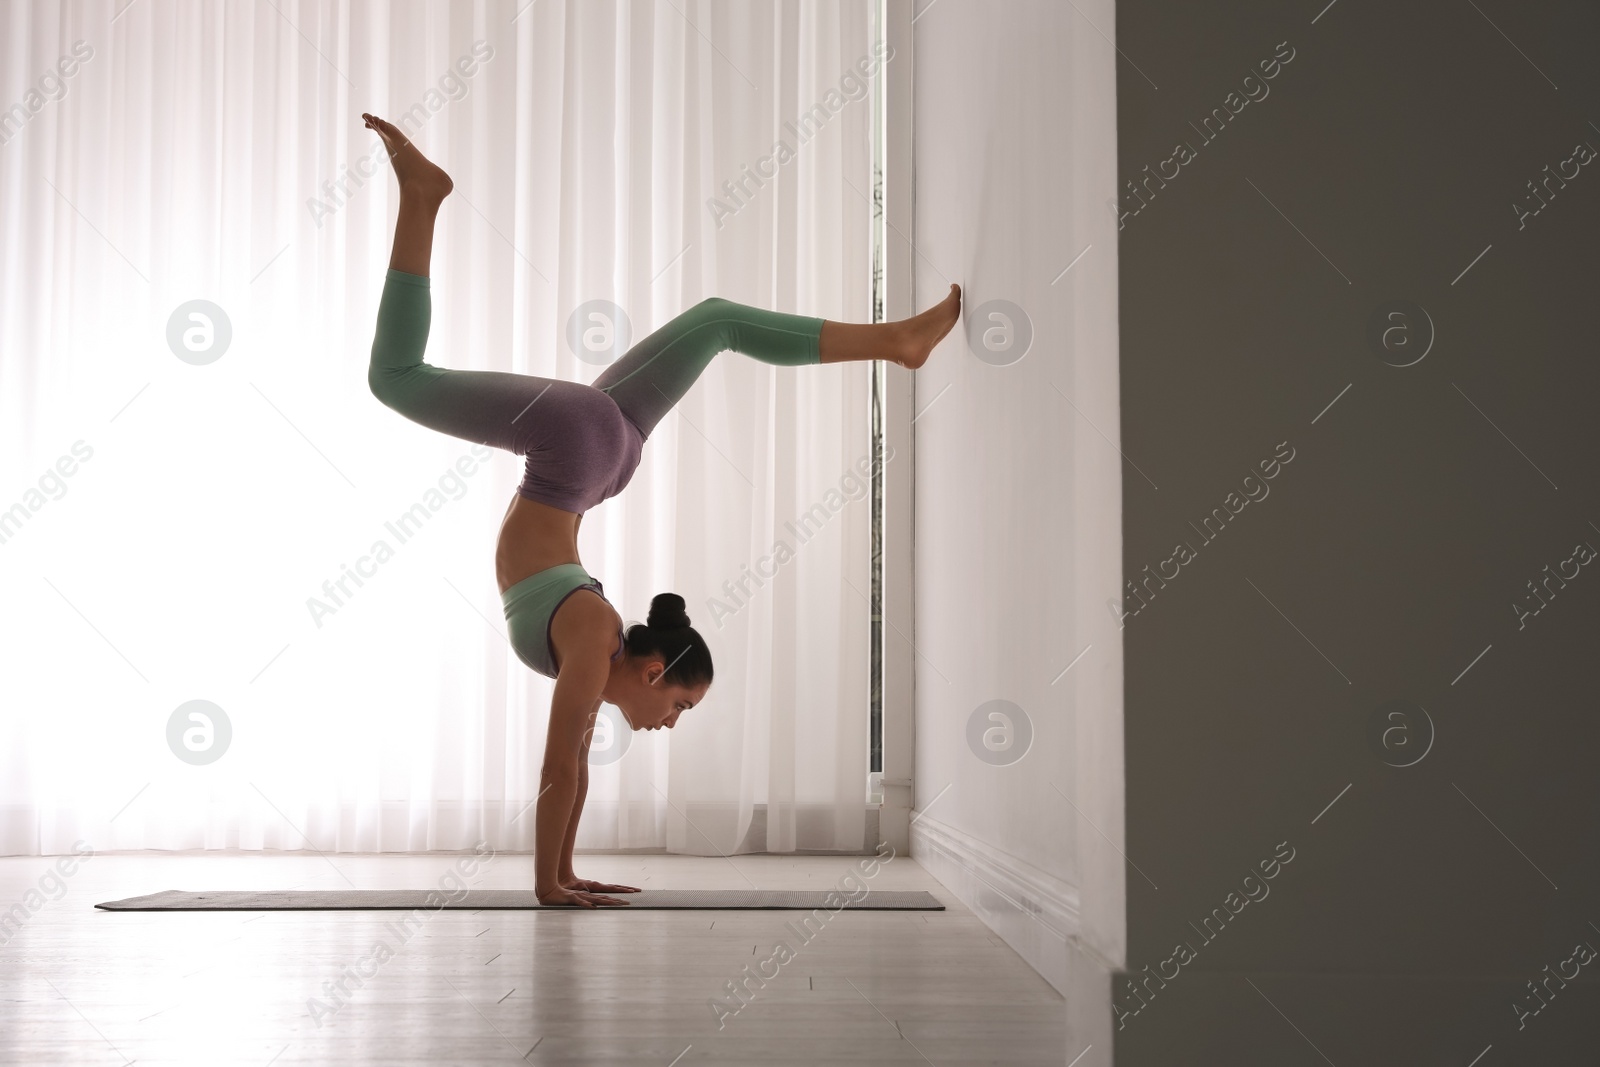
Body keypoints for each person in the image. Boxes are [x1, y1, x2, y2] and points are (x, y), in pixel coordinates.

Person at [360, 112, 961, 906]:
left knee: (713, 322)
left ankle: (424, 197)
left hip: (598, 454)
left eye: (677, 707)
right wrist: (555, 879)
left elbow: (561, 765)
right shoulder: (590, 634)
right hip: (579, 455)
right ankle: (895, 342)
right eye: (679, 704)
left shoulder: (590, 639)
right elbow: (565, 765)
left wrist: (558, 881)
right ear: (650, 666)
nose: (670, 721)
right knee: (400, 377)